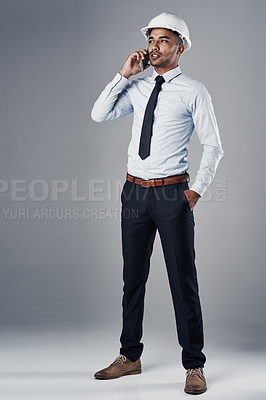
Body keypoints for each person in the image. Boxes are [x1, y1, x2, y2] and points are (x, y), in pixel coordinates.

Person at [90, 12, 224, 395]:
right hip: (134, 192)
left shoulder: (194, 91)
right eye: (151, 39)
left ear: (180, 47)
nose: (153, 46)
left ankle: (194, 364)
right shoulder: (137, 86)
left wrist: (195, 190)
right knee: (132, 278)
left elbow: (213, 145)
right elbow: (98, 114)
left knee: (182, 280)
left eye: (163, 40)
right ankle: (129, 356)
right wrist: (122, 74)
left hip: (171, 193)